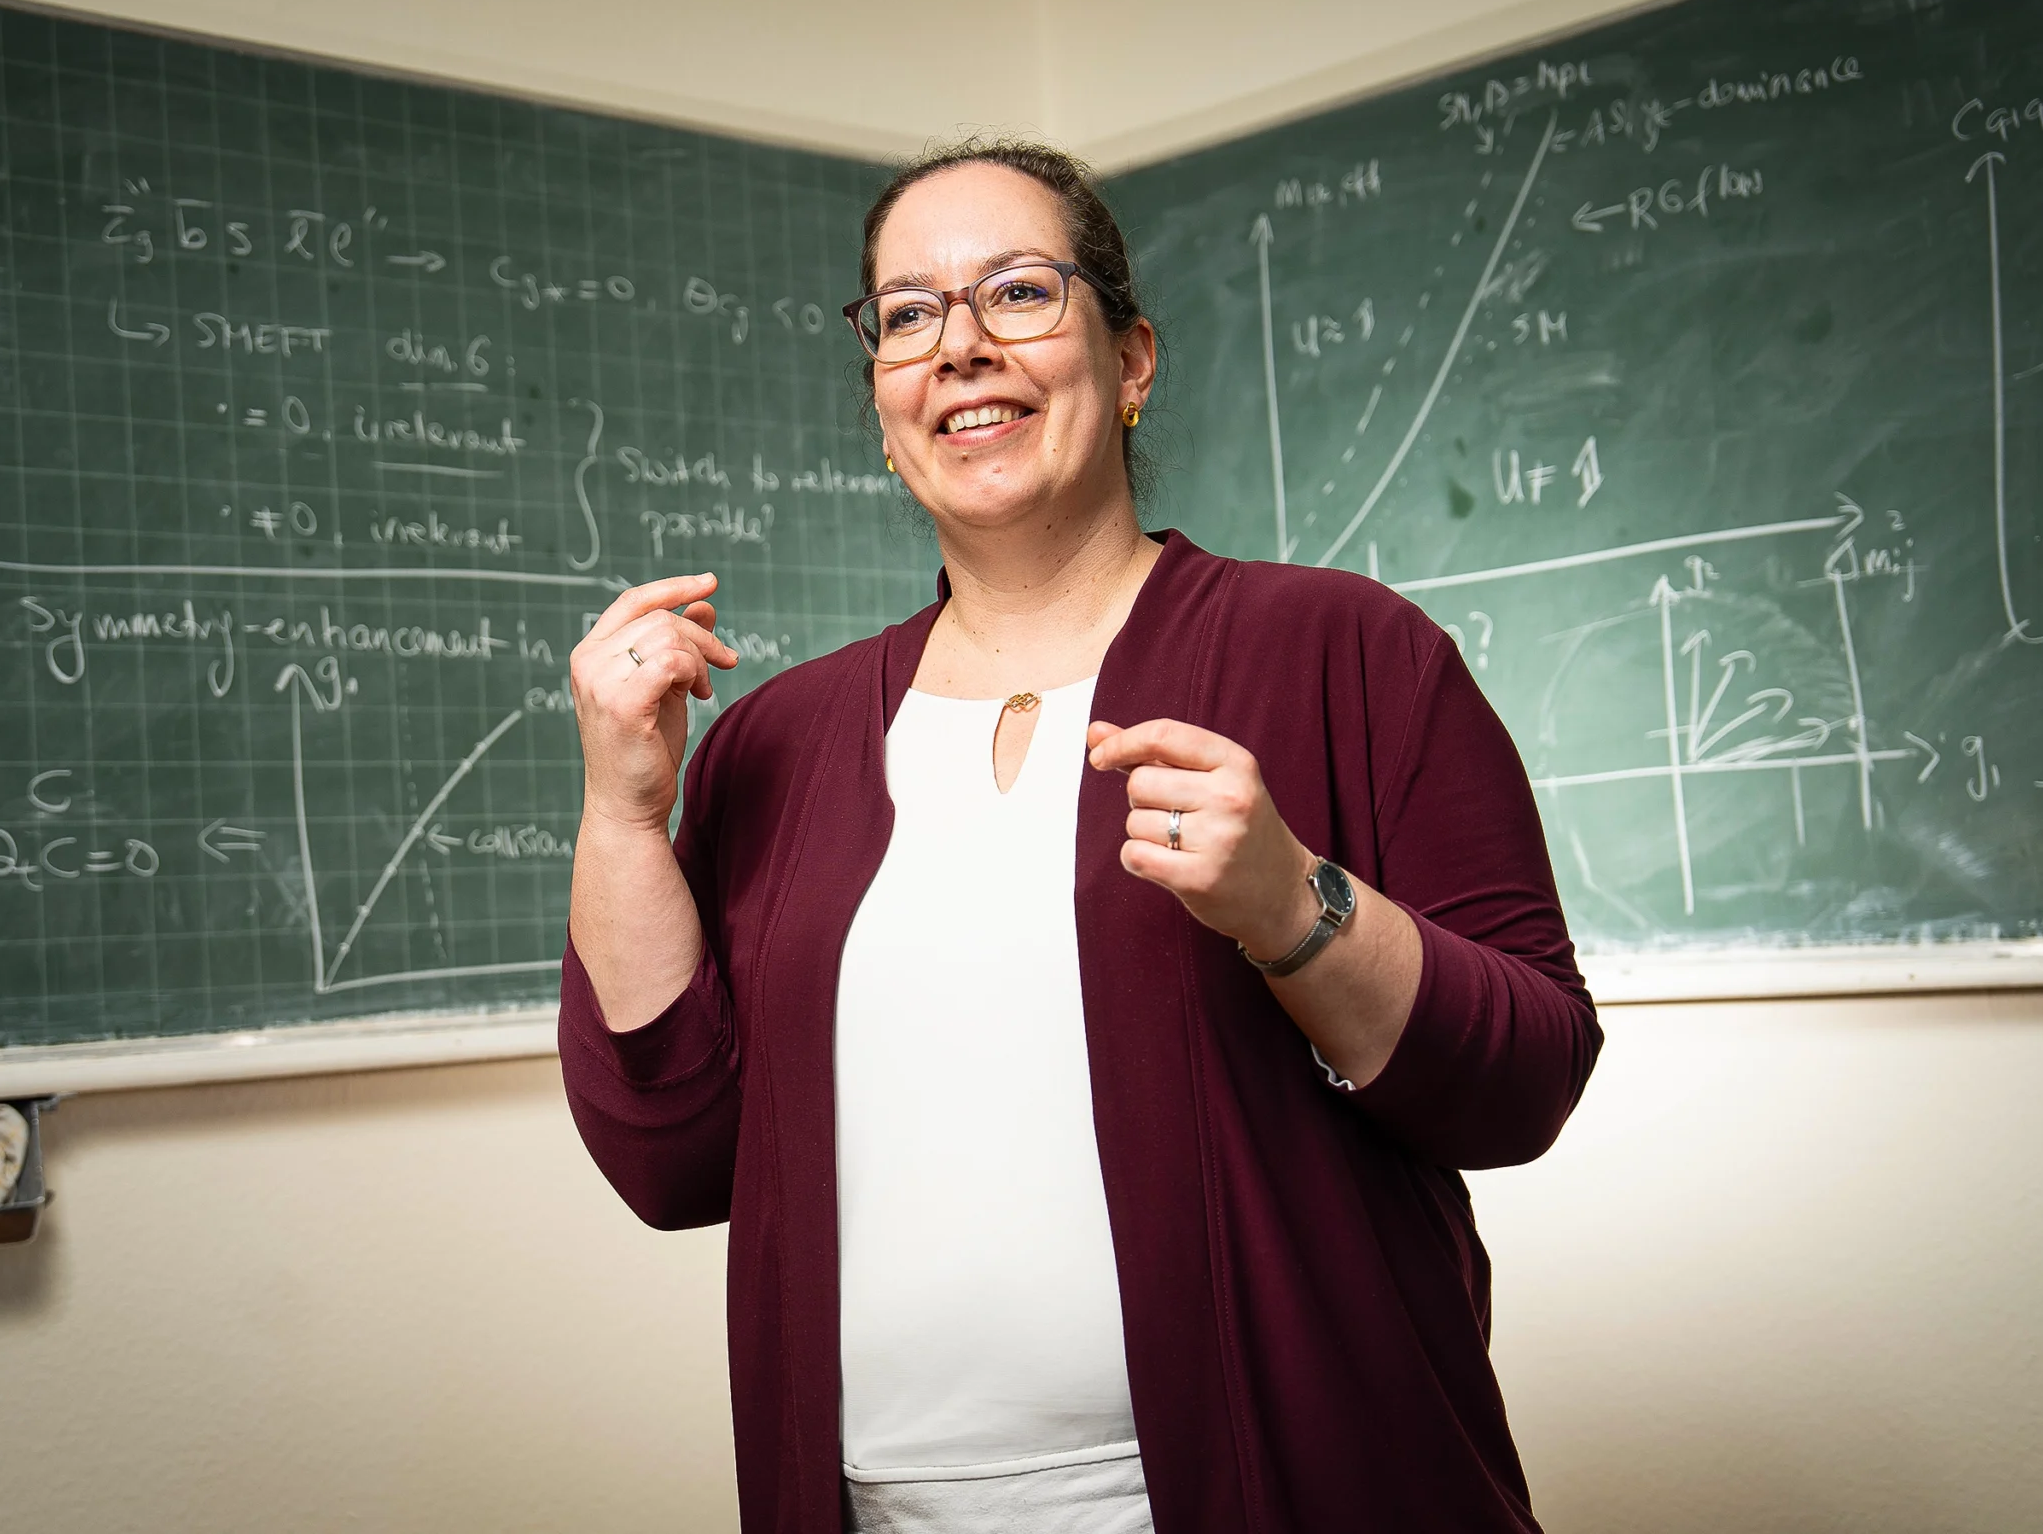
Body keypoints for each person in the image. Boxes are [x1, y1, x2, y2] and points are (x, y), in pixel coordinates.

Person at [558, 139, 1602, 1534]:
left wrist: (1295, 907)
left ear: (1134, 360)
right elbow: (673, 1160)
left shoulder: (1349, 651)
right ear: (880, 400)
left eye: (1021, 293)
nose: (961, 348)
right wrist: (627, 811)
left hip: (1292, 1491)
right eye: (911, 315)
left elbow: (1522, 1082)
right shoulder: (776, 744)